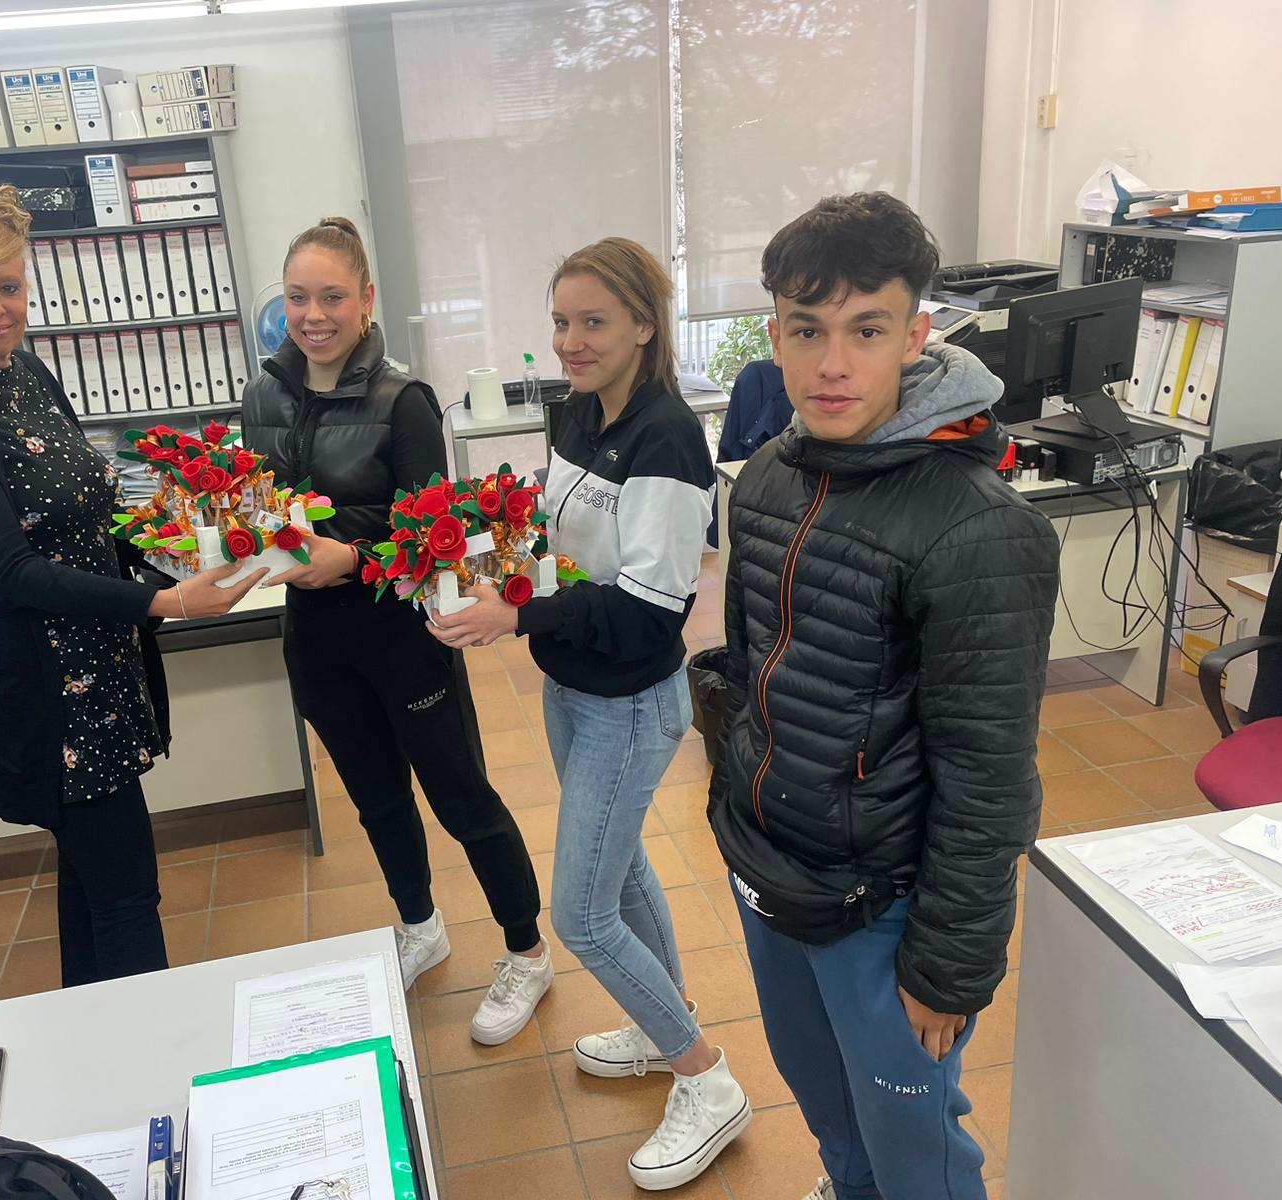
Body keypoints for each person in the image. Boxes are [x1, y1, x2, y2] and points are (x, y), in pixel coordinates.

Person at [709, 192, 1059, 1200]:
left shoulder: (976, 529)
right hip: (773, 871)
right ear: (774, 335)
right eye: (805, 330)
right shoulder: (765, 476)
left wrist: (948, 965)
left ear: (914, 335)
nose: (831, 364)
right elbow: (749, 669)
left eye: (865, 331)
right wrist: (734, 805)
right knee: (830, 1113)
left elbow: (990, 780)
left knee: (916, 1157)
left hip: (883, 908)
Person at [0, 184, 264, 988]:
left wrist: (172, 550)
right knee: (127, 897)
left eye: (9, 285)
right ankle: (151, 1052)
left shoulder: (25, 370)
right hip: (43, 690)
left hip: (101, 667)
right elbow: (8, 571)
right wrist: (164, 602)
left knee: (96, 885)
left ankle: (90, 1027)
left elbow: (88, 511)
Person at [430, 237, 750, 1191]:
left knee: (579, 911)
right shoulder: (579, 411)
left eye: (594, 322)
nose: (571, 341)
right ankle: (664, 1022)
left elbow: (651, 607)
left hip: (630, 699)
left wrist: (516, 613)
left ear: (645, 326)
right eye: (561, 322)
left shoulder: (666, 438)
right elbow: (560, 544)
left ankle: (706, 1077)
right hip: (570, 686)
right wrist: (490, 563)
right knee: (622, 867)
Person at [240, 216, 553, 1045]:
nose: (314, 315)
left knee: (461, 798)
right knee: (375, 799)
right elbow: (262, 507)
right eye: (298, 298)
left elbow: (432, 534)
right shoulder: (262, 395)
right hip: (315, 638)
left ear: (366, 299)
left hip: (401, 635)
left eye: (332, 297)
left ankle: (527, 949)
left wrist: (347, 557)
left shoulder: (402, 400)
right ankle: (420, 925)